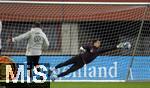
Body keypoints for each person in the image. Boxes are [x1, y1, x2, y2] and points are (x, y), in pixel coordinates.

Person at [50, 39, 131, 81]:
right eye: (98, 43)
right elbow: (82, 47)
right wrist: (82, 48)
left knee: (69, 71)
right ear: (94, 43)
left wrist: (117, 46)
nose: (99, 44)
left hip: (81, 63)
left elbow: (108, 49)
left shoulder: (99, 51)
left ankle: (56, 77)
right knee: (65, 63)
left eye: (100, 43)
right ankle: (54, 68)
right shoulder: (90, 46)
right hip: (78, 58)